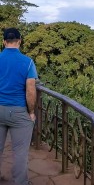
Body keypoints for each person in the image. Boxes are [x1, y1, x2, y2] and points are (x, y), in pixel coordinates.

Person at [0, 28, 37, 185]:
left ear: (3, 42)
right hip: (19, 112)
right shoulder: (27, 62)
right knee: (20, 152)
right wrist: (31, 112)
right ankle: (20, 182)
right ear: (20, 41)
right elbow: (30, 90)